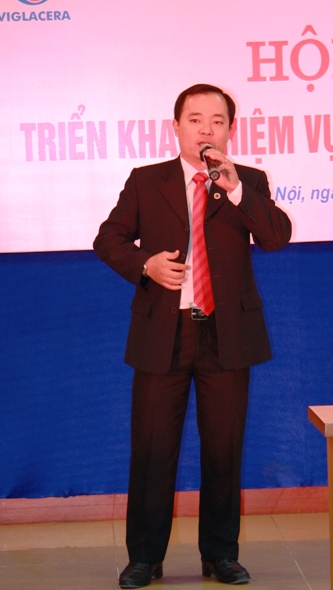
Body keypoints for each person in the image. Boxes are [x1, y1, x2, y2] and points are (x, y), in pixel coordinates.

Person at [93, 83, 292, 587]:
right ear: (176, 126)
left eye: (217, 121)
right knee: (152, 449)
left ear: (230, 130)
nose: (206, 129)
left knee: (224, 449)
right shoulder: (147, 180)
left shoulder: (247, 180)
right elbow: (108, 239)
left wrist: (237, 189)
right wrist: (146, 264)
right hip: (165, 332)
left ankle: (220, 555)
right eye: (196, 120)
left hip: (227, 334)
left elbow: (275, 236)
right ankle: (145, 558)